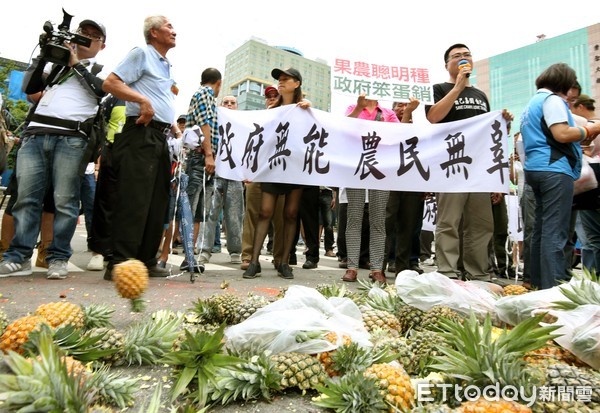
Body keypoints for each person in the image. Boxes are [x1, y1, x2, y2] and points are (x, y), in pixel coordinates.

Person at [0, 19, 107, 279]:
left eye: (93, 36)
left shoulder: (100, 69)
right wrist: (44, 52)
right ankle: (18, 256)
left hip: (71, 137)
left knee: (65, 201)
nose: (86, 38)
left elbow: (97, 91)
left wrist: (74, 63)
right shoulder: (54, 63)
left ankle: (58, 257)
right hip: (36, 134)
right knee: (26, 198)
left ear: (102, 45)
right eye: (83, 33)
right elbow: (30, 88)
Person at [424, 43, 513, 281]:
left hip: (480, 170)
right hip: (450, 165)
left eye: (467, 55)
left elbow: (489, 134)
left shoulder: (481, 95)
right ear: (447, 64)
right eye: (457, 56)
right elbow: (433, 117)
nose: (464, 58)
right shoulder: (438, 88)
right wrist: (458, 86)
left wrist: (504, 122)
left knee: (481, 224)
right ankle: (448, 272)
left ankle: (478, 273)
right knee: (448, 222)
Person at [102, 15, 180, 279]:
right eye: (169, 26)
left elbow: (162, 99)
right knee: (134, 199)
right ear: (154, 32)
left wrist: (174, 126)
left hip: (160, 138)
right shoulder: (142, 54)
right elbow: (110, 83)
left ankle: (146, 260)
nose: (174, 30)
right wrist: (142, 100)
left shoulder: (166, 64)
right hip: (139, 132)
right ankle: (120, 263)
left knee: (158, 200)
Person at [521, 63, 600, 289]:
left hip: (536, 169)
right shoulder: (552, 100)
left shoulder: (532, 103)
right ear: (564, 83)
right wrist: (589, 130)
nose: (571, 94)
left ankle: (536, 283)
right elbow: (561, 133)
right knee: (556, 232)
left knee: (541, 230)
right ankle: (553, 288)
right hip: (554, 170)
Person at [243, 67, 310, 280]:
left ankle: (283, 262)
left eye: (285, 79)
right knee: (265, 211)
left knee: (291, 214)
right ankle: (254, 261)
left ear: (297, 83)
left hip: (296, 167)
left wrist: (310, 111)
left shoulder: (306, 109)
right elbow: (261, 141)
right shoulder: (273, 109)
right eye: (279, 79)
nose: (280, 82)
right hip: (273, 166)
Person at [186, 71, 244, 267]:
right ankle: (202, 251)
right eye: (225, 102)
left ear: (237, 106)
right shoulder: (211, 112)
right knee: (208, 211)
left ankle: (236, 250)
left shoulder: (244, 124)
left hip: (234, 171)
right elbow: (204, 125)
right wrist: (210, 155)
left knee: (234, 213)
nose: (228, 105)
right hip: (212, 165)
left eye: (232, 103)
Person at [341, 94, 398, 284]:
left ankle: (376, 269)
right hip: (356, 167)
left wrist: (410, 113)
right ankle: (352, 267)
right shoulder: (353, 107)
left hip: (381, 169)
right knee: (354, 216)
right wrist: (359, 107)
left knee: (378, 219)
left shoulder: (388, 113)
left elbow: (401, 134)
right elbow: (343, 128)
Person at [240, 86, 286, 270]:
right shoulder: (257, 119)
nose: (272, 99)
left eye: (276, 96)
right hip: (256, 172)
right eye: (269, 97)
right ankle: (248, 256)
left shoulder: (287, 118)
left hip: (279, 173)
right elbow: (246, 145)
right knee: (252, 214)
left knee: (280, 216)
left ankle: (279, 257)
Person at [383, 98, 424, 276]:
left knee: (408, 227)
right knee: (386, 224)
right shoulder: (387, 126)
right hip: (390, 182)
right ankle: (379, 266)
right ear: (392, 110)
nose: (404, 108)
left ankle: (402, 269)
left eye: (406, 105)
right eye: (400, 105)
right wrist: (407, 114)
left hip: (413, 182)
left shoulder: (421, 128)